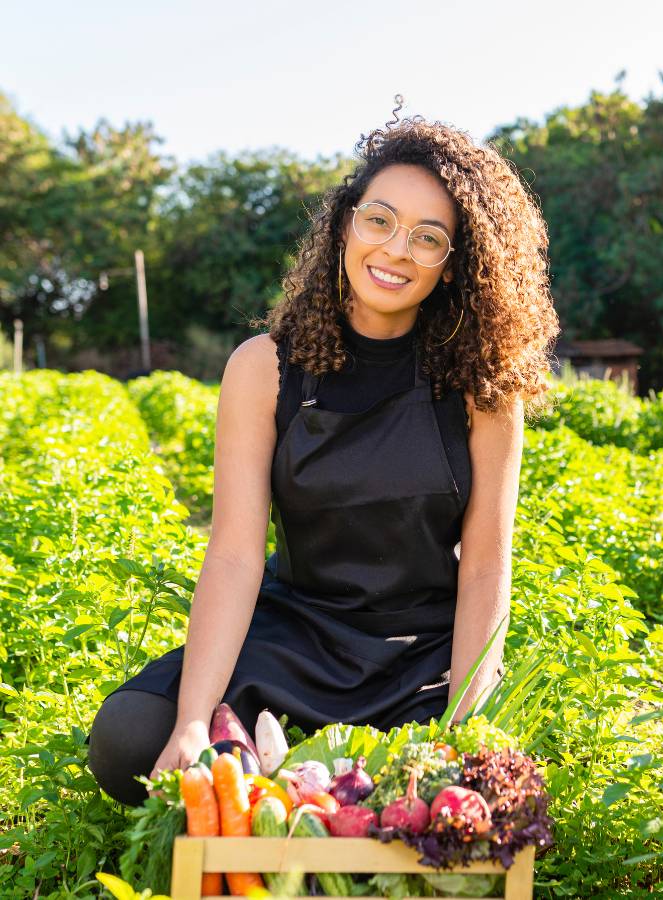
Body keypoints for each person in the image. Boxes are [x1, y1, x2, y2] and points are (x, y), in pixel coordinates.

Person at [87, 109, 558, 806]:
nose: (397, 250)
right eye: (380, 221)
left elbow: (487, 561)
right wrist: (191, 722)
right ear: (345, 224)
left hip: (418, 655)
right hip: (294, 638)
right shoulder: (264, 369)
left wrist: (464, 722)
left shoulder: (481, 388)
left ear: (456, 265)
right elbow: (235, 554)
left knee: (480, 785)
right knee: (131, 737)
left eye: (429, 238)